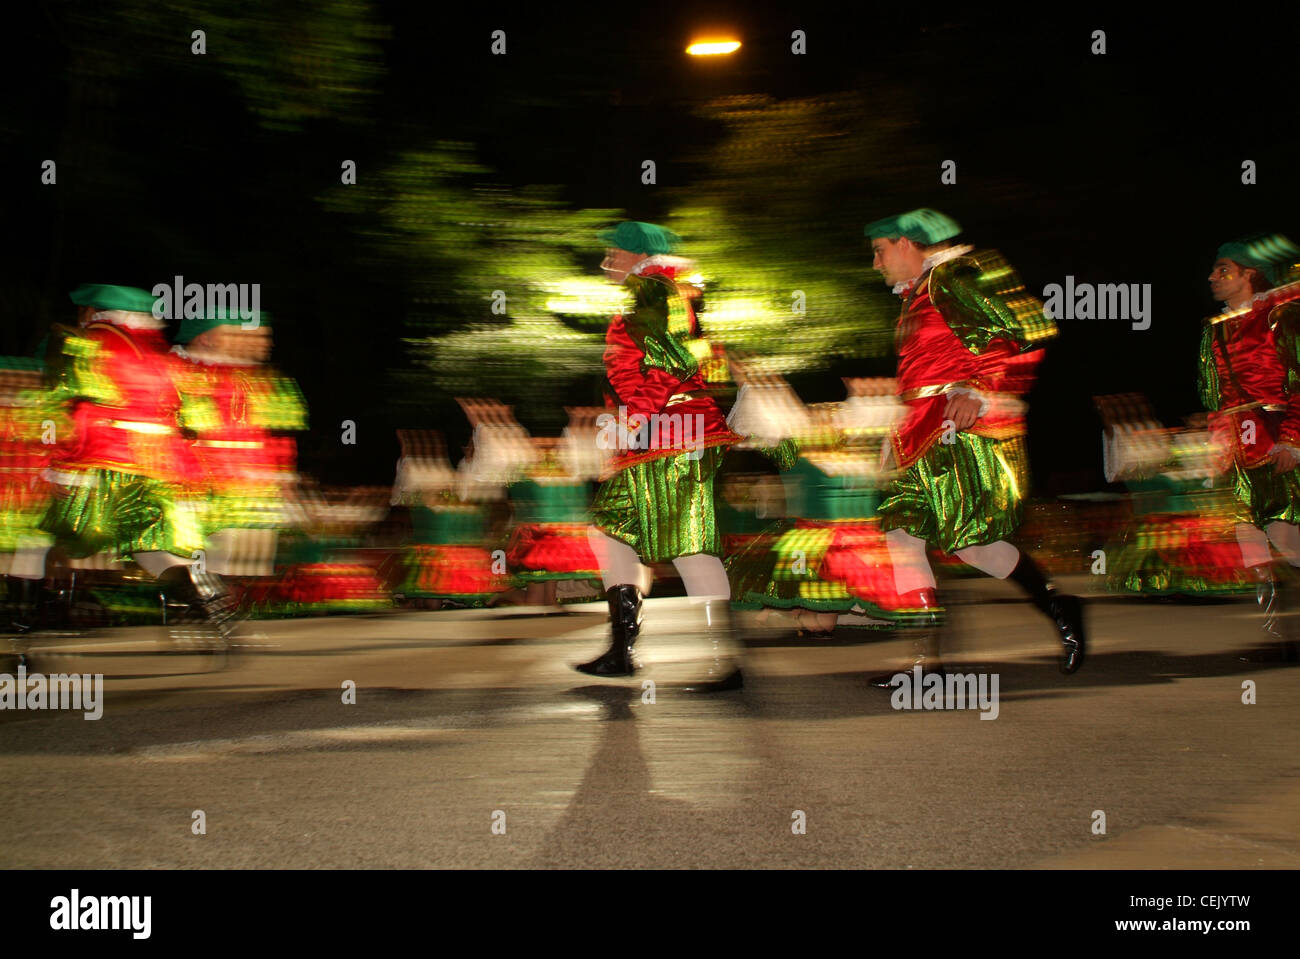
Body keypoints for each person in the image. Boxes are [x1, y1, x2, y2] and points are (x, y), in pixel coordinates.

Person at [863, 209, 1085, 684]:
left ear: (907, 244)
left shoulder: (954, 276)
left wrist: (980, 388)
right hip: (919, 431)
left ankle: (1059, 604)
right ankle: (926, 663)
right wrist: (893, 432)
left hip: (958, 430)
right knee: (903, 535)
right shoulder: (917, 294)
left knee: (973, 545)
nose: (875, 262)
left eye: (880, 250)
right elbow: (920, 376)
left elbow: (1026, 332)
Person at [575, 221, 745, 691]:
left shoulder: (655, 289)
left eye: (614, 251)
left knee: (689, 545)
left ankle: (722, 661)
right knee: (612, 531)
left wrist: (636, 418)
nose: (607, 259)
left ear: (636, 255)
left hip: (672, 434)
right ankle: (621, 649)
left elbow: (674, 361)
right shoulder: (656, 292)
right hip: (656, 436)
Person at [37, 284, 235, 633]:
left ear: (91, 311)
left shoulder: (86, 344)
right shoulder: (162, 355)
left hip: (98, 464)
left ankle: (48, 612)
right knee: (150, 546)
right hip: (157, 467)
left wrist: (57, 465)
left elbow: (68, 408)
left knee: (67, 540)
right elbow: (194, 417)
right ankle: (204, 596)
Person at [1198, 234, 1300, 658]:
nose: (1212, 277)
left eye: (1223, 269)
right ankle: (1278, 627)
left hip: (1279, 436)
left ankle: (1285, 628)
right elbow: (1217, 398)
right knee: (1246, 529)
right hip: (1243, 445)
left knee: (1284, 532)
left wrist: (1294, 439)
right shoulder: (1217, 329)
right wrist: (1217, 447)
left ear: (1250, 274)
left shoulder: (1282, 316)